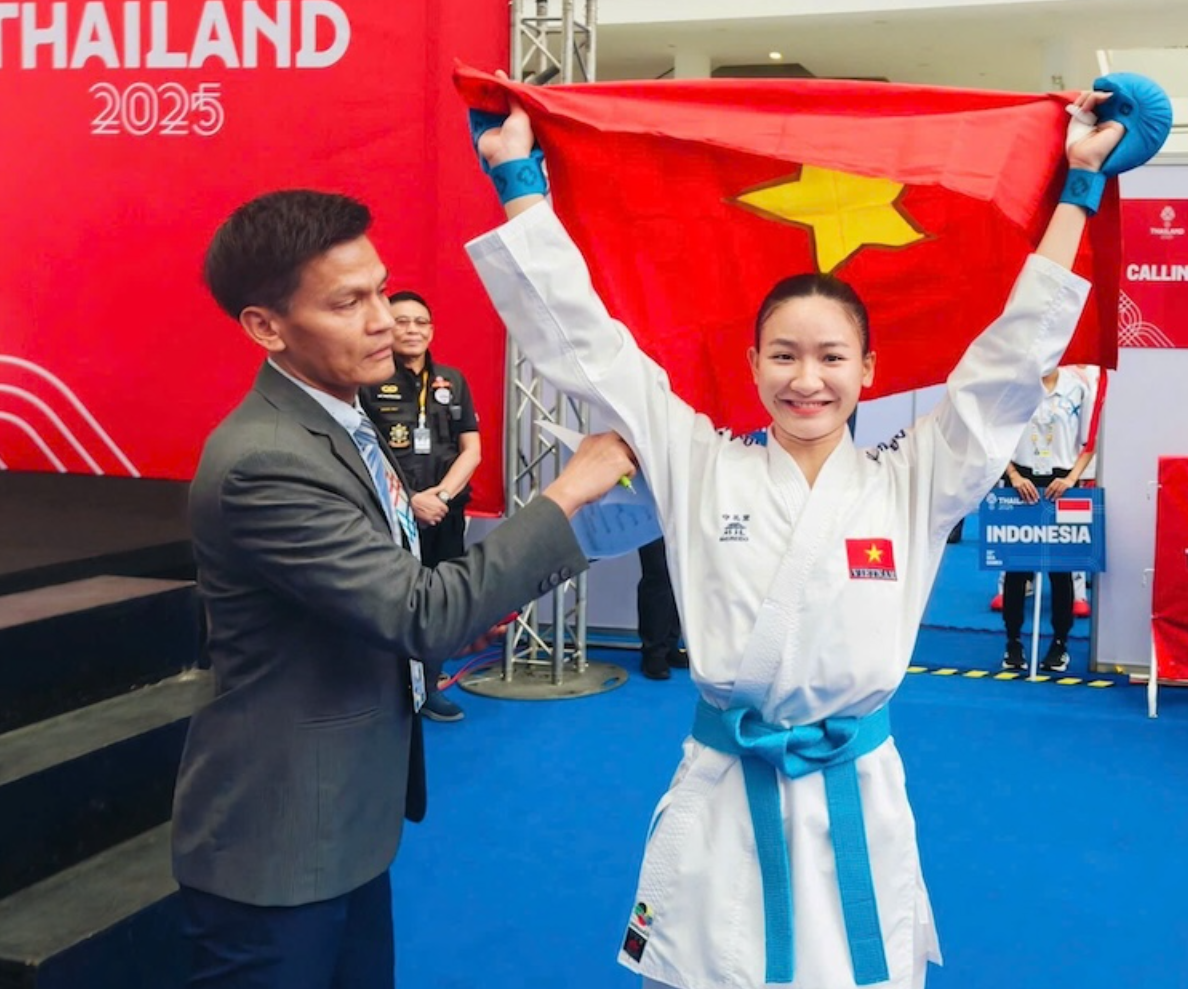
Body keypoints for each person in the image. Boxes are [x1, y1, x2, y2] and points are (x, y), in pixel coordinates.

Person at [467, 82, 1145, 989]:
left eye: (831, 357)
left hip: (854, 794)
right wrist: (518, 180)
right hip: (725, 788)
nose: (806, 380)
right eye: (783, 355)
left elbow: (1008, 363)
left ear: (869, 369)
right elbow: (588, 347)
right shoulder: (699, 462)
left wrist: (1077, 191)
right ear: (752, 365)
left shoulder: (914, 480)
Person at [172, 188, 636, 989]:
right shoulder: (265, 458)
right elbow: (419, 611)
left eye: (381, 290)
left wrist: (466, 613)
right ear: (266, 326)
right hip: (278, 846)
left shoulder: (342, 419)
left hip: (344, 824)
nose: (383, 319)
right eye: (347, 302)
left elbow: (381, 592)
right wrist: (566, 494)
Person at [360, 289, 482, 721]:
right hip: (391, 514)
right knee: (391, 603)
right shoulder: (366, 381)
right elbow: (363, 451)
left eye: (421, 322)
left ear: (431, 330)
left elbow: (472, 449)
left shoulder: (452, 380)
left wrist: (441, 497)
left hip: (444, 512)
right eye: (402, 321)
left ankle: (429, 687)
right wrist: (410, 501)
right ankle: (386, 689)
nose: (413, 330)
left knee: (441, 601)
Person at [999, 363, 1098, 674]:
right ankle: (1013, 642)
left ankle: (1059, 644)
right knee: (1016, 570)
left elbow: (1089, 442)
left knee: (1061, 570)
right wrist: (1013, 476)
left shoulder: (1077, 387)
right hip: (1021, 485)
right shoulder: (1015, 386)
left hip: (1063, 485)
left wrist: (1071, 479)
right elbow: (996, 438)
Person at [636, 535, 687, 680]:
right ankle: (654, 651)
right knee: (658, 574)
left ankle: (670, 645)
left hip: (685, 521)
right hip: (651, 523)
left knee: (679, 574)